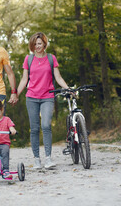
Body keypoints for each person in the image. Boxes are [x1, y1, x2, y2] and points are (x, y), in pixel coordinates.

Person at [17, 32, 70, 169]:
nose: (37, 46)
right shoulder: (28, 59)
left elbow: (58, 77)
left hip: (47, 96)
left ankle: (48, 158)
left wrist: (68, 88)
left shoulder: (51, 58)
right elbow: (24, 79)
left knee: (46, 125)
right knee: (34, 129)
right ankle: (36, 159)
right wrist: (15, 94)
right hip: (32, 97)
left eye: (39, 43)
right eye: (34, 44)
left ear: (44, 44)